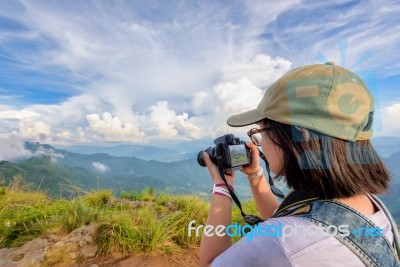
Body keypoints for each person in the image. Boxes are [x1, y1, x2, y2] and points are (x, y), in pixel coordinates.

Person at [199, 62, 400, 266]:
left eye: (260, 131)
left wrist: (223, 188)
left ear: (300, 135)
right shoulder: (368, 206)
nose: (259, 143)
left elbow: (211, 263)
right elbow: (293, 221)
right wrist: (255, 175)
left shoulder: (280, 245)